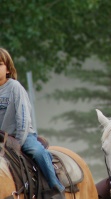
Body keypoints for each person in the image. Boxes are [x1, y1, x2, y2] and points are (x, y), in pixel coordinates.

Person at [0, 47, 65, 199]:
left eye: (0, 64)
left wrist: (19, 142)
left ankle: (55, 187)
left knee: (38, 152)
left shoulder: (15, 88)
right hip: (1, 137)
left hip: (21, 135)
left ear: (8, 69)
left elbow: (23, 118)